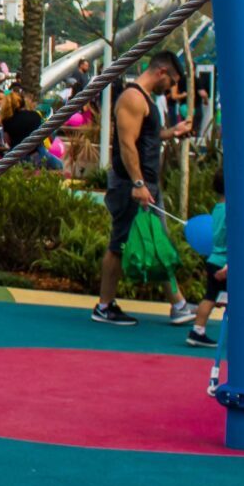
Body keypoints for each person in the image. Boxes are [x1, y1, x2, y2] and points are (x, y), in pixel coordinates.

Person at [97, 51, 188, 326]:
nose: (171, 89)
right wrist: (137, 183)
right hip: (131, 185)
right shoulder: (133, 98)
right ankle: (104, 306)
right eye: (172, 82)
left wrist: (172, 133)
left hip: (145, 184)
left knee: (157, 240)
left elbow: (146, 137)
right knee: (118, 245)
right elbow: (127, 144)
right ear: (162, 72)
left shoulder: (146, 101)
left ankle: (179, 304)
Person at [182, 168, 244, 347]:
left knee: (210, 297)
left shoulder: (217, 209)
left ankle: (197, 330)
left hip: (214, 260)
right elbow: (235, 239)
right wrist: (230, 265)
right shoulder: (233, 211)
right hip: (227, 263)